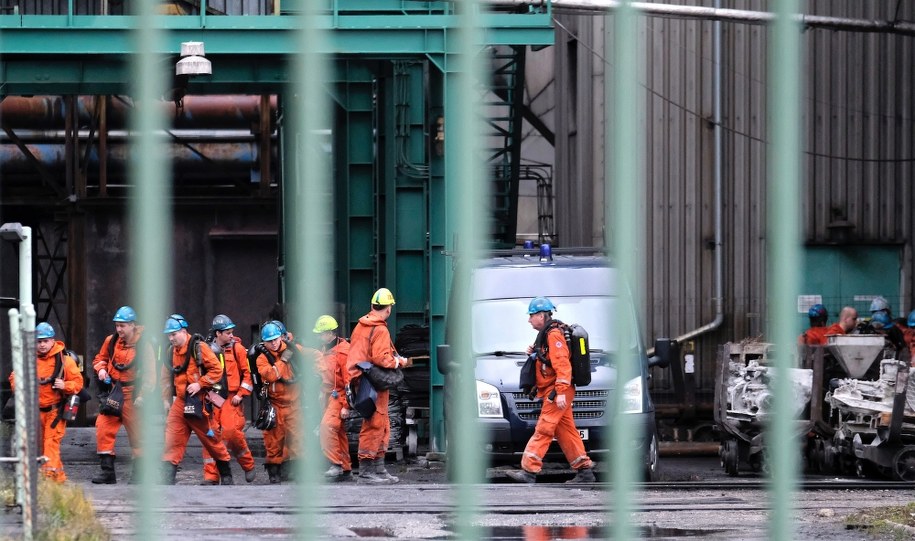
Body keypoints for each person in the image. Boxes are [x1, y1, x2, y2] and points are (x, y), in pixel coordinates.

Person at [506, 296, 595, 484]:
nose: (529, 320)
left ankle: (529, 471)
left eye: (531, 315)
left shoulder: (553, 335)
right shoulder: (547, 335)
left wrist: (561, 391)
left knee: (544, 428)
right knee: (566, 432)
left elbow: (563, 364)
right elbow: (548, 361)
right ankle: (585, 472)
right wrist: (534, 352)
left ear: (540, 315)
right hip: (554, 390)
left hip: (557, 391)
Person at [346, 288, 412, 485]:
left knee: (382, 424)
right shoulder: (380, 329)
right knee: (375, 424)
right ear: (389, 308)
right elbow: (382, 358)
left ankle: (379, 469)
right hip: (372, 381)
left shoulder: (362, 325)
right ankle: (367, 472)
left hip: (362, 380)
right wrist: (399, 362)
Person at [160, 315, 234, 485]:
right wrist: (165, 400)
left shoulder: (199, 348)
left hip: (199, 401)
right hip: (180, 402)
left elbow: (216, 370)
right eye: (169, 335)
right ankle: (166, 478)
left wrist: (200, 384)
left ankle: (226, 473)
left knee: (212, 439)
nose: (171, 338)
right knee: (172, 438)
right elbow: (164, 377)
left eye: (174, 334)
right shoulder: (170, 352)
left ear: (184, 332)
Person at [8, 322, 83, 482]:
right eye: (38, 341)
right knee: (41, 449)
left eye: (45, 341)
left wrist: (65, 385)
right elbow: (14, 377)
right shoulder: (27, 359)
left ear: (52, 341)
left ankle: (47, 483)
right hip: (35, 412)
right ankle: (59, 481)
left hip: (55, 412)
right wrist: (20, 387)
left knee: (50, 446)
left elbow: (78, 383)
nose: (42, 344)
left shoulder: (65, 361)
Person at [91, 305, 156, 484]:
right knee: (103, 428)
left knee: (138, 435)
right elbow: (99, 359)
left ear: (132, 325)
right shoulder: (110, 341)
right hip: (113, 393)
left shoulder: (144, 345)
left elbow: (151, 375)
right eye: (117, 325)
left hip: (133, 396)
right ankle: (107, 472)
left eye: (123, 325)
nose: (119, 329)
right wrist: (101, 369)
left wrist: (143, 396)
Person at [199, 314, 257, 484]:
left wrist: (240, 394)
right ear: (218, 333)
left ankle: (248, 464)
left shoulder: (238, 349)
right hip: (213, 397)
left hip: (232, 399)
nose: (231, 335)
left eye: (232, 332)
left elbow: (248, 375)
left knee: (231, 433)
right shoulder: (207, 349)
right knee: (210, 435)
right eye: (227, 332)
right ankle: (211, 476)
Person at [254, 321, 302, 484]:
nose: (273, 343)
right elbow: (270, 375)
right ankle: (274, 474)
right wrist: (283, 361)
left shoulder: (293, 350)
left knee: (297, 439)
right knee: (273, 442)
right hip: (274, 405)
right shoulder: (261, 358)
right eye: (269, 341)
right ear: (264, 342)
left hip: (294, 404)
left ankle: (295, 472)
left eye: (275, 339)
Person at [313, 314, 353, 481]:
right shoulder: (327, 348)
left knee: (327, 427)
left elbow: (349, 380)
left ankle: (335, 464)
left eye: (321, 333)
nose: (318, 336)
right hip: (330, 395)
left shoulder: (342, 351)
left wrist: (346, 405)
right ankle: (345, 468)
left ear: (330, 333)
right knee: (339, 433)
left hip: (339, 396)